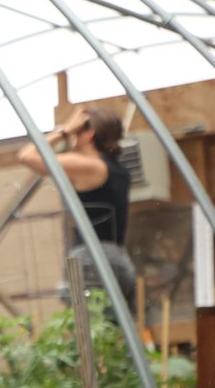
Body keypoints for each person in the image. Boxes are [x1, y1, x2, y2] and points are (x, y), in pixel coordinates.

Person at [16, 106, 136, 311]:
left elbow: (27, 156)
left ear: (89, 134)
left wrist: (64, 131)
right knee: (113, 332)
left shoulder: (89, 166)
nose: (70, 138)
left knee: (88, 332)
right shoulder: (119, 170)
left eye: (76, 132)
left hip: (93, 262)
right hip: (119, 260)